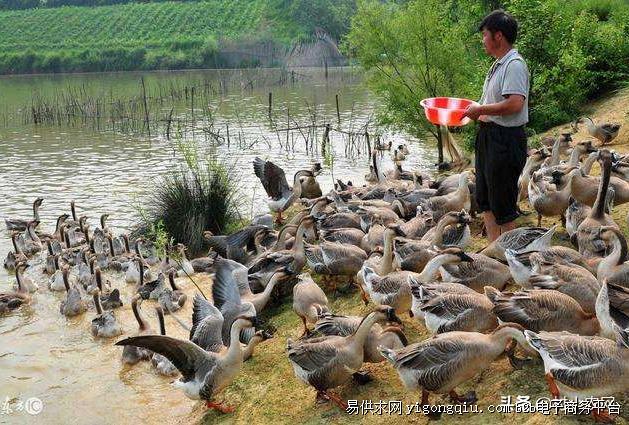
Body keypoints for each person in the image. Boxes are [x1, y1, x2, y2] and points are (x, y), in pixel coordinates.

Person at [462, 9, 530, 242]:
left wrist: (480, 110)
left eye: (485, 35)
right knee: (486, 199)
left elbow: (514, 104)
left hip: (505, 140)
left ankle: (510, 255)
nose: (483, 40)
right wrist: (472, 114)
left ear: (498, 36)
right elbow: (492, 106)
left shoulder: (514, 65)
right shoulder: (498, 65)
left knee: (503, 203)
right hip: (489, 137)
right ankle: (495, 251)